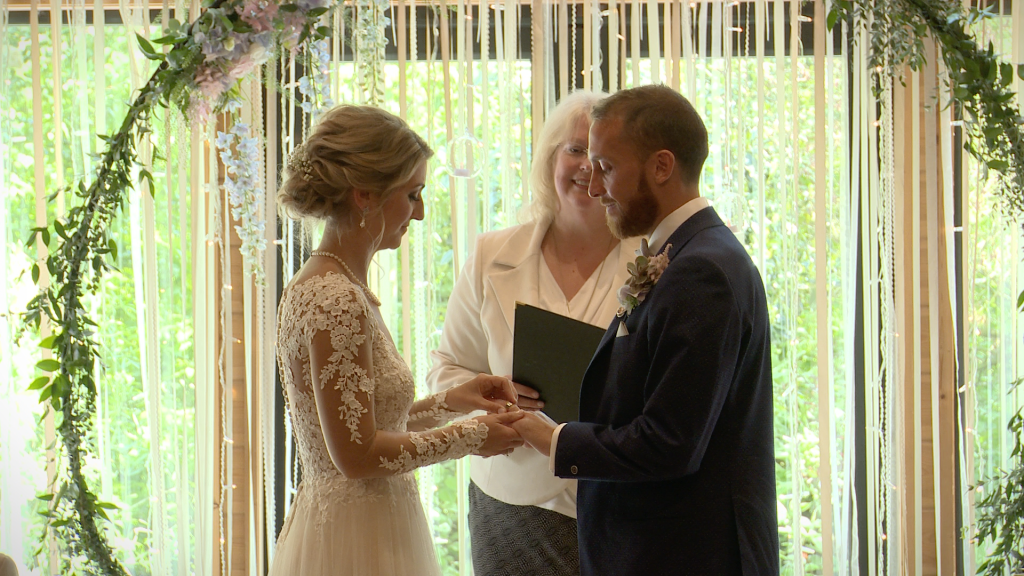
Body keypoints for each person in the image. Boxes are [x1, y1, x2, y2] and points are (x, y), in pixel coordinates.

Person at [510, 85, 780, 575]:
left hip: (687, 555)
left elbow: (668, 443)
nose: (594, 189)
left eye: (606, 169)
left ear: (661, 166)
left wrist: (552, 440)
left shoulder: (704, 272)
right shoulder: (681, 254)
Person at [269, 105, 525, 576]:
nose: (422, 213)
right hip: (358, 538)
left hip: (362, 521)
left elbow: (363, 421)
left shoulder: (331, 285)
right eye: (413, 194)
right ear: (365, 194)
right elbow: (356, 455)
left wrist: (453, 401)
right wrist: (470, 437)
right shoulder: (335, 298)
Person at [426, 91, 642, 575]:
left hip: (611, 503)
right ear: (548, 158)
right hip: (508, 502)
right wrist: (491, 406)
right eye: (574, 150)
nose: (587, 167)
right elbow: (446, 369)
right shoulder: (490, 255)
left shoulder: (652, 262)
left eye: (602, 157)